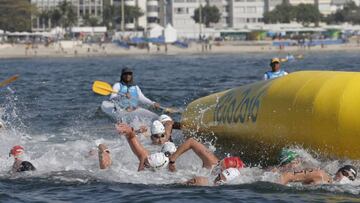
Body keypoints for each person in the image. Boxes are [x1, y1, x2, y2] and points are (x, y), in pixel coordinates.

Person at [278, 165, 357, 185]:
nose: (344, 178)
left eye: (350, 178)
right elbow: (288, 176)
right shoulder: (320, 175)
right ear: (338, 172)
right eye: (344, 173)